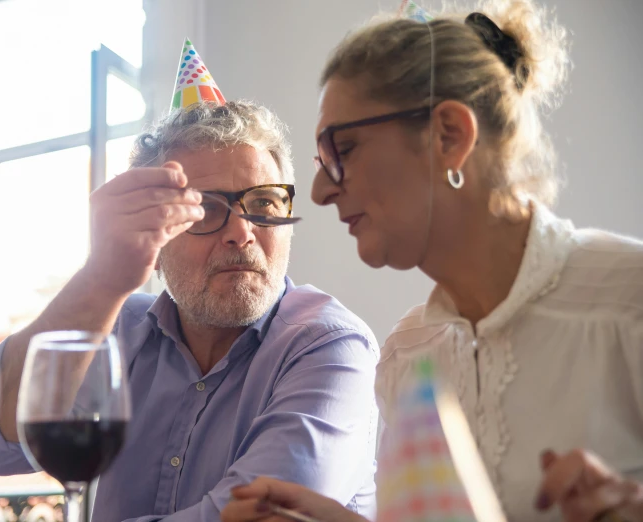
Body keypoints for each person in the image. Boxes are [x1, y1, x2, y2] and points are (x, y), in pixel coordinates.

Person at [219, 1, 643, 521]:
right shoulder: (407, 356)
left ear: (449, 135)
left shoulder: (629, 303)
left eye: (343, 149)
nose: (320, 190)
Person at [0, 96, 380, 522]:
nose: (242, 232)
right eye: (204, 208)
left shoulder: (330, 347)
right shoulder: (117, 329)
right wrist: (101, 277)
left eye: (263, 204)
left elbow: (265, 517)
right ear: (157, 235)